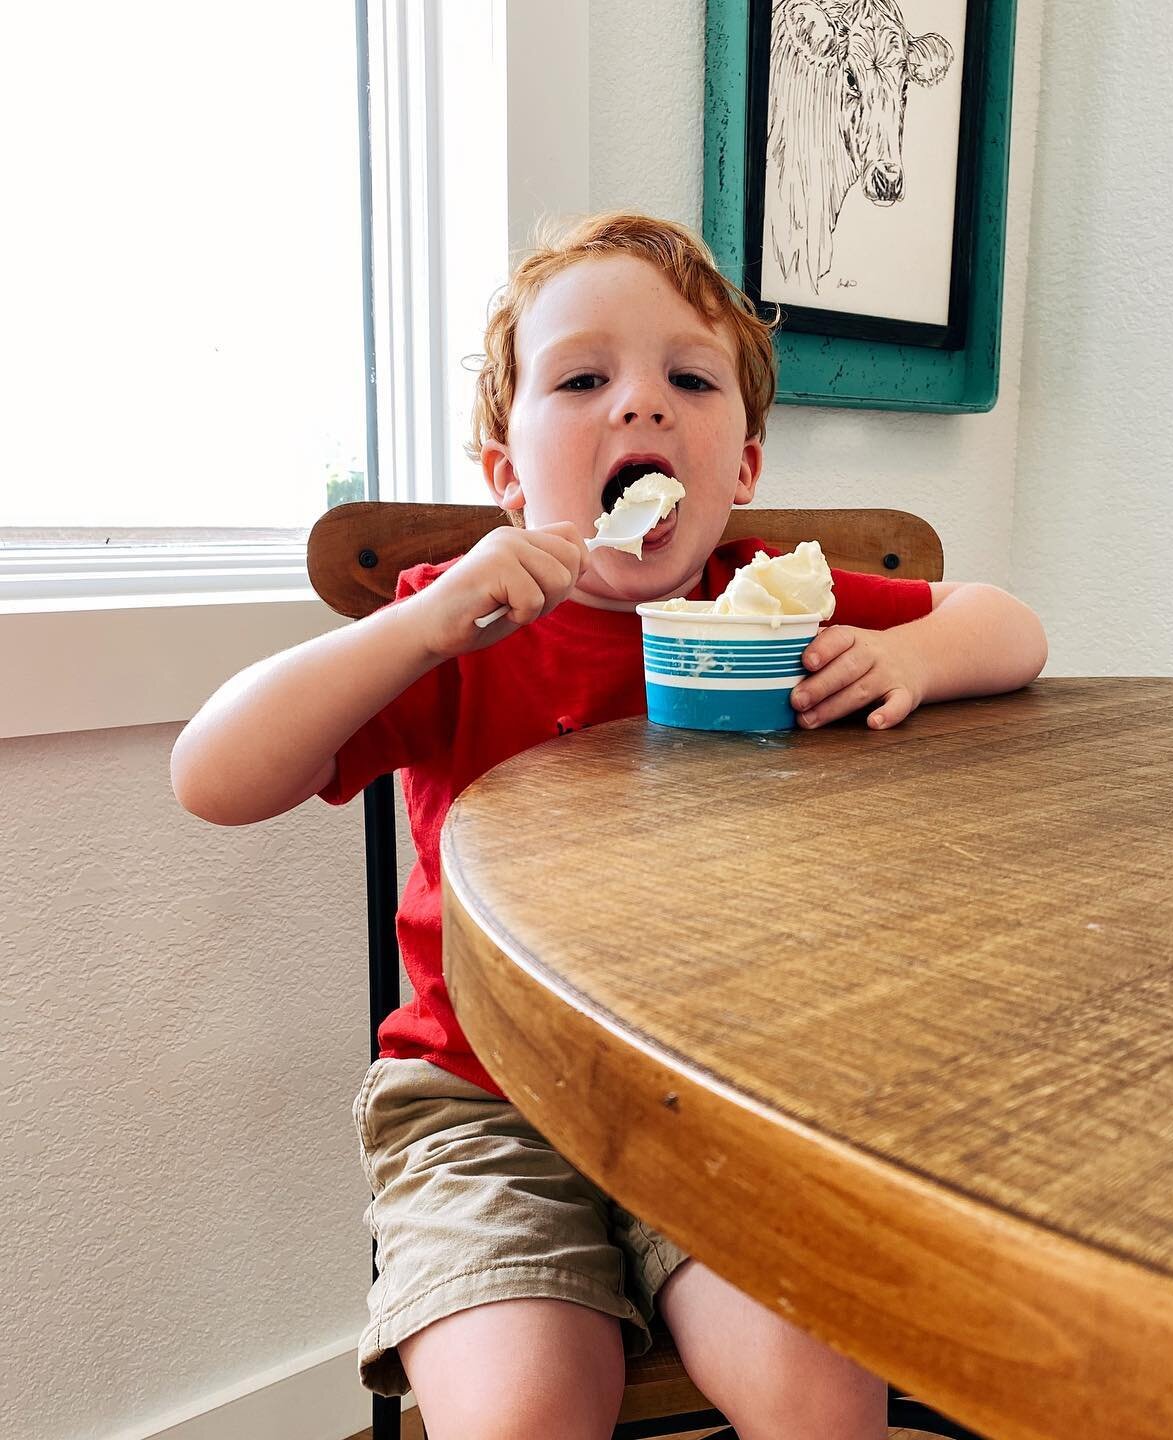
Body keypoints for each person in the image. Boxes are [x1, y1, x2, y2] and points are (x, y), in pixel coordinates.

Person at [172, 211, 1047, 1440]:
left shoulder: (773, 596)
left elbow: (1009, 623)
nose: (641, 406)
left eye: (689, 380)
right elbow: (211, 773)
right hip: (480, 1102)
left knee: (825, 1406)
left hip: (725, 1091)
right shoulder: (454, 629)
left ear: (740, 467)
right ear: (508, 472)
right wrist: (413, 632)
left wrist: (911, 654)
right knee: (527, 1415)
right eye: (584, 379)